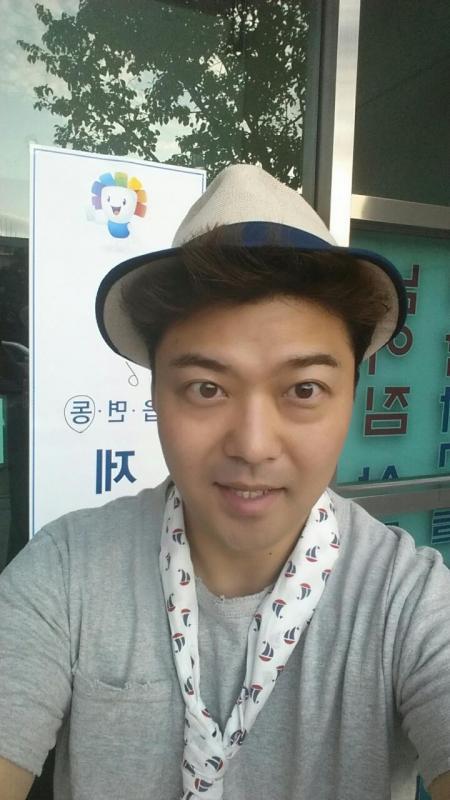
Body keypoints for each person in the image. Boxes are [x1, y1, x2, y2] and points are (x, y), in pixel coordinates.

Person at [0, 164, 449, 800]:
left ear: (351, 396)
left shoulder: (408, 603)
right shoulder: (66, 575)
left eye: (304, 389)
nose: (253, 445)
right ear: (156, 393)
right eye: (206, 388)